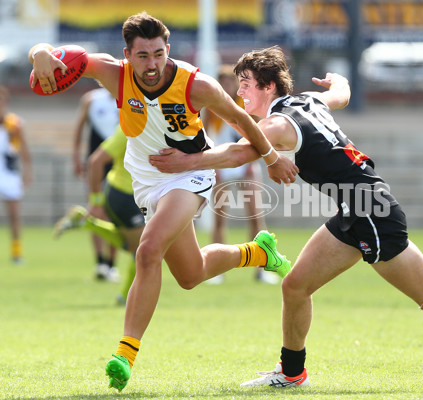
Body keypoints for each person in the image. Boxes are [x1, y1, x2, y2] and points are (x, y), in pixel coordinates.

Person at [148, 45, 423, 386]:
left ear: (270, 85)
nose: (240, 94)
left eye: (245, 85)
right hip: (357, 207)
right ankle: (292, 372)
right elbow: (343, 92)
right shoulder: (308, 100)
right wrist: (337, 80)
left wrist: (187, 162)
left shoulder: (277, 123)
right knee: (295, 286)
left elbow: (242, 151)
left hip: (371, 210)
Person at [29, 12, 298, 392]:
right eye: (142, 56)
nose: (152, 64)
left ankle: (125, 353)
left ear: (167, 49)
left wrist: (271, 159)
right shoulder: (114, 74)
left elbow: (241, 119)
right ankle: (257, 253)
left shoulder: (195, 85)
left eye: (158, 53)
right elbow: (56, 55)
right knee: (191, 275)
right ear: (128, 55)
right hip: (147, 183)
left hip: (190, 176)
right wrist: (39, 53)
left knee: (148, 248)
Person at [204, 65, 278, 285]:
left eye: (230, 82)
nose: (227, 86)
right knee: (220, 217)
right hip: (222, 164)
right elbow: (207, 135)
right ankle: (216, 270)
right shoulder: (211, 107)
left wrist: (252, 162)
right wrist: (213, 164)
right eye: (223, 82)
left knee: (256, 216)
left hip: (245, 164)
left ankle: (262, 267)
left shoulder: (245, 106)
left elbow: (258, 135)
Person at [54, 126, 144, 304]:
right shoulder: (130, 129)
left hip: (135, 195)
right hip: (123, 196)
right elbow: (95, 161)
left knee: (137, 246)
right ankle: (126, 297)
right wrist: (95, 201)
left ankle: (86, 223)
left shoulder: (155, 126)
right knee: (143, 248)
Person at [72, 87, 120, 281]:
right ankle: (100, 261)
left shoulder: (131, 98)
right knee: (95, 209)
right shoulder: (91, 99)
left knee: (117, 213)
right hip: (95, 166)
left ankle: (112, 264)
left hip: (121, 166)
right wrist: (75, 157)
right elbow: (79, 129)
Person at [0, 85, 32, 264]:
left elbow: (24, 150)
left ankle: (16, 252)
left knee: (14, 215)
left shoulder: (14, 124)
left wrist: (27, 173)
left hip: (8, 173)